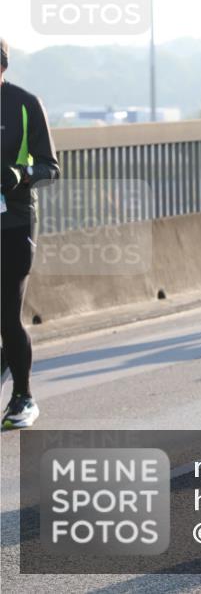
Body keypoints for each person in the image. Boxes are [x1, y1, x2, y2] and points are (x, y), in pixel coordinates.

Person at [1, 38, 61, 429]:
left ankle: (23, 397)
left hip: (15, 222)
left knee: (7, 313)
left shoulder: (23, 103)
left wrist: (20, 175)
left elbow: (50, 167)